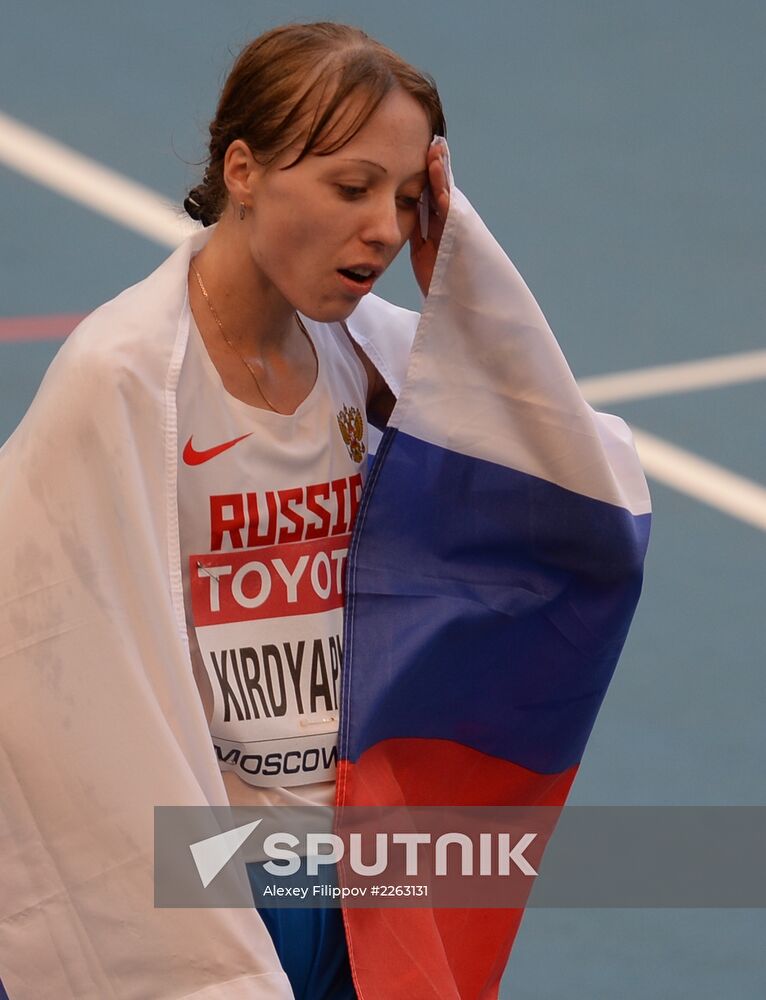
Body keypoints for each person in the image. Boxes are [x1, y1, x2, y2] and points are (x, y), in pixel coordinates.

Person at [0, 21, 650, 1000]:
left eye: (404, 198)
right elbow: (44, 668)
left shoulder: (382, 362)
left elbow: (583, 504)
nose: (385, 228)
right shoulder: (125, 378)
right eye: (351, 188)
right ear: (245, 170)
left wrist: (466, 307)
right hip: (199, 885)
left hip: (359, 879)